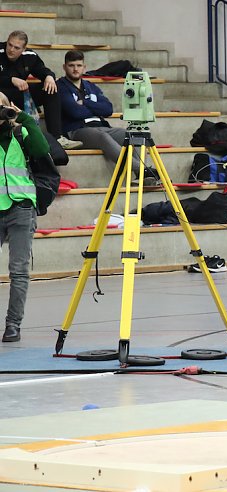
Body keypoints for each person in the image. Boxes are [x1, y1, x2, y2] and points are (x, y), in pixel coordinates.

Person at [57, 50, 156, 182]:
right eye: (71, 65)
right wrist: (95, 108)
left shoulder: (91, 86)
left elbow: (108, 109)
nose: (76, 69)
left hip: (101, 126)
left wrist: (85, 102)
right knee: (103, 137)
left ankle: (140, 176)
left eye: (79, 65)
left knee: (132, 134)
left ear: (84, 67)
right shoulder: (60, 86)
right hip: (78, 130)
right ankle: (142, 169)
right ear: (64, 67)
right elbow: (75, 112)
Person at [0, 91, 51, 343]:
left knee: (19, 270)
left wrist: (27, 120)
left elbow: (42, 150)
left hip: (21, 207)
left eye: (2, 106)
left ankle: (13, 325)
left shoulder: (20, 132)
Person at [0, 31, 82, 151]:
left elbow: (43, 70)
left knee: (50, 88)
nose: (11, 49)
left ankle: (57, 137)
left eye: (16, 47)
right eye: (9, 45)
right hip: (1, 95)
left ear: (23, 49)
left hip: (18, 95)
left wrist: (49, 77)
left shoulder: (29, 55)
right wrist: (11, 80)